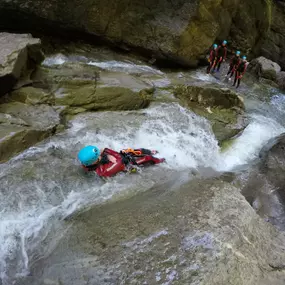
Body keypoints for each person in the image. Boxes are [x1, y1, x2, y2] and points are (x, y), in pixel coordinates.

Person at [77, 145, 165, 178]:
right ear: (94, 161)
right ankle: (162, 160)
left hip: (114, 162)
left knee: (127, 151)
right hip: (124, 167)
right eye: (97, 156)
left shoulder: (86, 162)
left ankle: (149, 151)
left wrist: (107, 155)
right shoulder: (105, 170)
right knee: (147, 158)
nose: (100, 152)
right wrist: (107, 152)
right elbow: (121, 160)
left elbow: (101, 150)